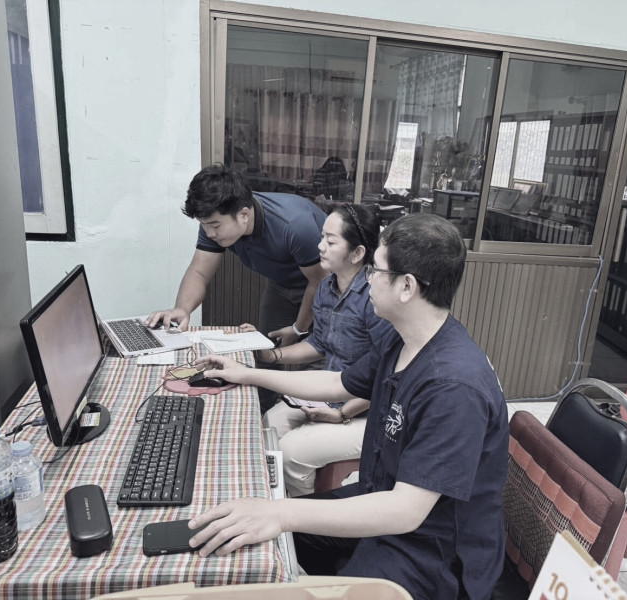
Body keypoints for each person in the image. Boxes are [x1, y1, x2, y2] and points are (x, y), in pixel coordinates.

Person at [188, 214, 509, 600]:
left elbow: (406, 511)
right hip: (381, 502)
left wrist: (279, 513)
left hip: (431, 551)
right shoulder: (404, 339)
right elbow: (338, 383)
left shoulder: (453, 386)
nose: (368, 279)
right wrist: (248, 374)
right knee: (257, 544)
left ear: (407, 286)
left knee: (279, 525)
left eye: (376, 270)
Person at [147, 164, 328, 410]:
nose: (209, 233)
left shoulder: (294, 225)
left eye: (215, 226)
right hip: (282, 284)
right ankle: (263, 413)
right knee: (265, 353)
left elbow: (319, 282)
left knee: (318, 359)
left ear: (243, 214)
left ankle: (310, 413)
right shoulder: (216, 222)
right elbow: (199, 271)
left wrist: (298, 328)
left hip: (328, 288)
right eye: (204, 225)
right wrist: (182, 309)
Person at [254, 203, 393, 497]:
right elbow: (319, 344)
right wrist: (273, 356)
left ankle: (306, 520)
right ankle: (277, 504)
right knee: (267, 427)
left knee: (290, 453)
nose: (320, 247)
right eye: (321, 238)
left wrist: (342, 413)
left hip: (368, 411)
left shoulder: (375, 299)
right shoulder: (327, 287)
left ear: (357, 253)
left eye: (330, 241)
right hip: (331, 396)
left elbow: (386, 374)